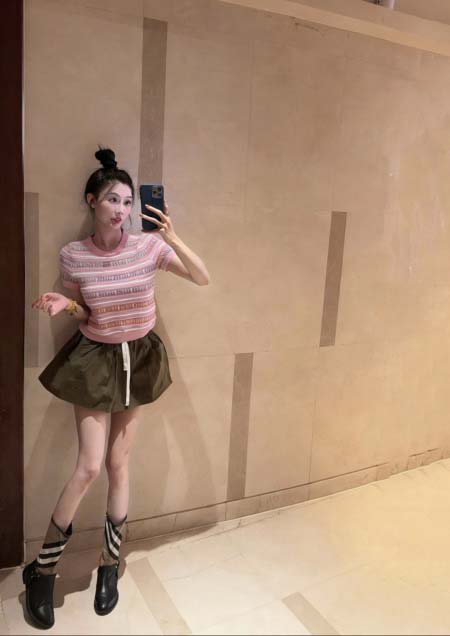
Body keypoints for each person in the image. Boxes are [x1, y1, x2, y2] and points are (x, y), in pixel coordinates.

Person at [22, 146, 210, 629]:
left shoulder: (148, 247)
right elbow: (89, 312)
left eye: (128, 202)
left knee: (118, 463)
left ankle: (110, 565)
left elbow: (202, 277)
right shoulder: (74, 255)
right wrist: (65, 305)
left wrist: (171, 235)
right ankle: (42, 569)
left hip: (138, 358)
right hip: (95, 360)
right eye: (112, 200)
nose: (122, 210)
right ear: (92, 201)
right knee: (88, 466)